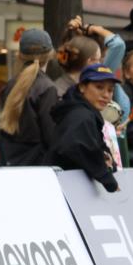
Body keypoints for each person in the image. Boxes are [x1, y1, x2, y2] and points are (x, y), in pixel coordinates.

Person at [48, 63, 121, 192]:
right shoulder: (81, 116)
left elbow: (94, 149)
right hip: (63, 189)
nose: (106, 95)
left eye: (110, 90)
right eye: (99, 87)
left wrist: (108, 161)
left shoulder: (84, 112)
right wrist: (107, 179)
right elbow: (77, 147)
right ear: (82, 87)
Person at [0, 28, 58, 166]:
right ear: (50, 54)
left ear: (20, 55)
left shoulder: (10, 86)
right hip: (38, 168)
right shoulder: (47, 88)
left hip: (9, 164)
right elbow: (51, 136)